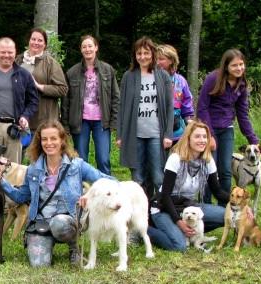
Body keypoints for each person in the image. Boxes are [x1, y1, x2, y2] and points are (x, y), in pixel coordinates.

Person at [1, 120, 116, 267]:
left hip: (67, 221)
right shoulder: (33, 169)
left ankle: (74, 247)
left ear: (62, 140)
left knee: (59, 223)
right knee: (39, 265)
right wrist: (1, 182)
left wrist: (89, 195)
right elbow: (21, 197)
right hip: (42, 222)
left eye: (53, 138)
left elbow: (104, 180)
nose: (49, 143)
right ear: (39, 142)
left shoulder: (77, 165)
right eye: (44, 139)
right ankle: (46, 243)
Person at [147, 121, 228, 251]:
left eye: (205, 136)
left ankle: (191, 231)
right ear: (188, 138)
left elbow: (217, 191)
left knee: (225, 216)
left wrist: (241, 205)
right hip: (165, 207)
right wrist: (179, 222)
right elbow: (165, 195)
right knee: (179, 246)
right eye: (197, 136)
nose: (202, 140)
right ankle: (145, 230)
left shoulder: (207, 160)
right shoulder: (176, 158)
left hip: (189, 207)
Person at [197, 49, 259, 204]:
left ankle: (224, 205)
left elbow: (242, 113)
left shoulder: (242, 84)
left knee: (225, 170)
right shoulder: (213, 79)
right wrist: (208, 135)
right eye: (234, 65)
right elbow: (202, 107)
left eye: (241, 64)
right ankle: (205, 204)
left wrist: (252, 138)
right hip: (208, 128)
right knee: (210, 168)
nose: (239, 68)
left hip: (226, 129)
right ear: (226, 66)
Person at [117, 37, 174, 198]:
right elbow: (121, 107)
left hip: (156, 133)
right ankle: (140, 213)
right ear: (135, 55)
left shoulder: (163, 76)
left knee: (157, 176)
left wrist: (168, 134)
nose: (143, 57)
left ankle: (162, 210)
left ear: (152, 54)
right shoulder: (129, 76)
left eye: (146, 53)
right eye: (139, 53)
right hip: (134, 134)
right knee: (138, 177)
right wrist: (120, 135)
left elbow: (170, 107)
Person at [62, 34, 120, 174]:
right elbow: (65, 101)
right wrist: (65, 125)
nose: (87, 49)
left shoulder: (108, 70)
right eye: (84, 46)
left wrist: (114, 122)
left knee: (103, 158)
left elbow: (116, 97)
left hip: (102, 121)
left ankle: (107, 191)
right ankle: (81, 190)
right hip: (80, 121)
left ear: (96, 48)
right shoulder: (72, 72)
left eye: (90, 46)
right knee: (80, 159)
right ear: (81, 49)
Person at [17, 27, 67, 130]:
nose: (36, 42)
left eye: (40, 40)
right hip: (20, 120)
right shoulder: (18, 61)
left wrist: (39, 86)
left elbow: (63, 89)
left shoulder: (51, 63)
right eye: (33, 39)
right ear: (28, 41)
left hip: (44, 121)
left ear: (44, 45)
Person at [156, 44, 194, 145]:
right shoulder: (151, 79)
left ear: (171, 60)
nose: (157, 62)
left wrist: (189, 121)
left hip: (177, 131)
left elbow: (187, 102)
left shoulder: (180, 80)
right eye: (156, 59)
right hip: (156, 130)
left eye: (161, 59)